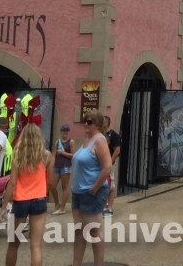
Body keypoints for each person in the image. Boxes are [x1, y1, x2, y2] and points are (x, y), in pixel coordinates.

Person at [1, 122, 54, 266]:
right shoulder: (47, 156)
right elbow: (50, 181)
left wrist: (4, 205)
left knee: (13, 244)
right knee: (36, 245)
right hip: (39, 199)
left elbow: (12, 183)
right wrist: (44, 191)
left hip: (20, 200)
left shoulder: (17, 156)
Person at [70, 109, 112, 266]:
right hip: (78, 191)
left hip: (92, 191)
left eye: (90, 122)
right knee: (79, 231)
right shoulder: (87, 141)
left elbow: (107, 167)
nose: (86, 124)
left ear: (98, 124)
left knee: (94, 230)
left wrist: (94, 187)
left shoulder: (99, 140)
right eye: (85, 121)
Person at [51, 124, 74, 215]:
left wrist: (63, 153)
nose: (65, 132)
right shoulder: (57, 142)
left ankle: (62, 208)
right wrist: (52, 163)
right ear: (61, 132)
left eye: (66, 130)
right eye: (63, 130)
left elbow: (73, 154)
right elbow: (54, 154)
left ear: (68, 132)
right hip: (57, 166)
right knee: (52, 186)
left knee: (65, 186)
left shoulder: (71, 141)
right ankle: (57, 203)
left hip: (66, 166)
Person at [101, 115, 121, 217]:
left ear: (107, 123)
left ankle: (109, 208)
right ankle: (104, 206)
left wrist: (110, 161)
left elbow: (117, 150)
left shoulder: (113, 135)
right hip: (101, 164)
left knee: (111, 185)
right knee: (103, 184)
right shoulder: (100, 135)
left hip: (110, 164)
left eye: (103, 121)